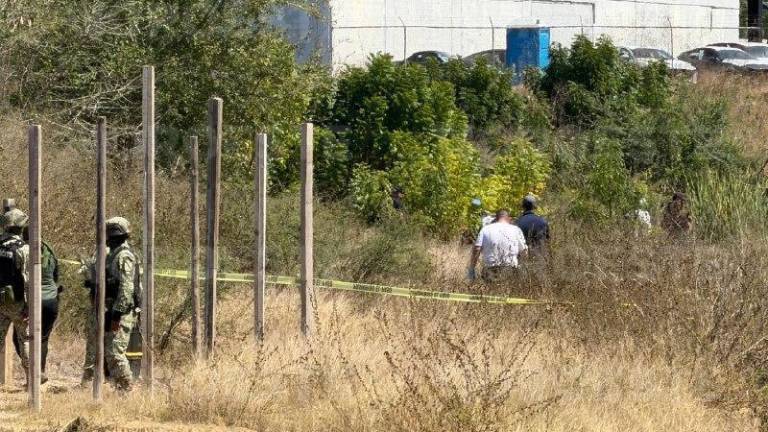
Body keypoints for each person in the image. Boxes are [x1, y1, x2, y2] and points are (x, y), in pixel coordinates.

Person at [82, 216, 139, 391]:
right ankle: (91, 385)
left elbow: (126, 289)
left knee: (115, 354)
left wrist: (117, 314)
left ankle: (127, 390)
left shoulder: (124, 256)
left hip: (119, 312)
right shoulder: (110, 254)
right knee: (99, 350)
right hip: (106, 308)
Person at [0, 209, 29, 383]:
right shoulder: (23, 249)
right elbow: (28, 280)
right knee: (25, 339)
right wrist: (29, 306)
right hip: (17, 303)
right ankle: (32, 379)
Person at [468, 209, 528, 283]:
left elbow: (477, 249)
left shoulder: (485, 229)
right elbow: (524, 251)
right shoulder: (516, 230)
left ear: (496, 218)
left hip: (490, 270)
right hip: (511, 269)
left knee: (491, 293)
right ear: (509, 219)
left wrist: (472, 268)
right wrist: (523, 267)